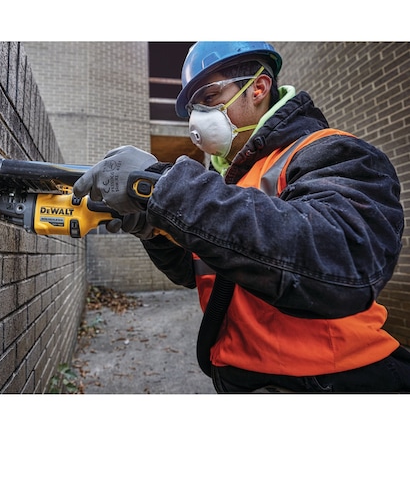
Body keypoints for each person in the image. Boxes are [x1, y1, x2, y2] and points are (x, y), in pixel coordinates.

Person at [73, 41, 410, 393]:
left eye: (208, 96)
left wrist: (164, 186)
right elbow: (201, 273)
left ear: (259, 88)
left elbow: (342, 262)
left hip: (332, 379)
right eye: (192, 107)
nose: (197, 117)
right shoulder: (227, 181)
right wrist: (155, 231)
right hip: (243, 377)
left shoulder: (331, 152)